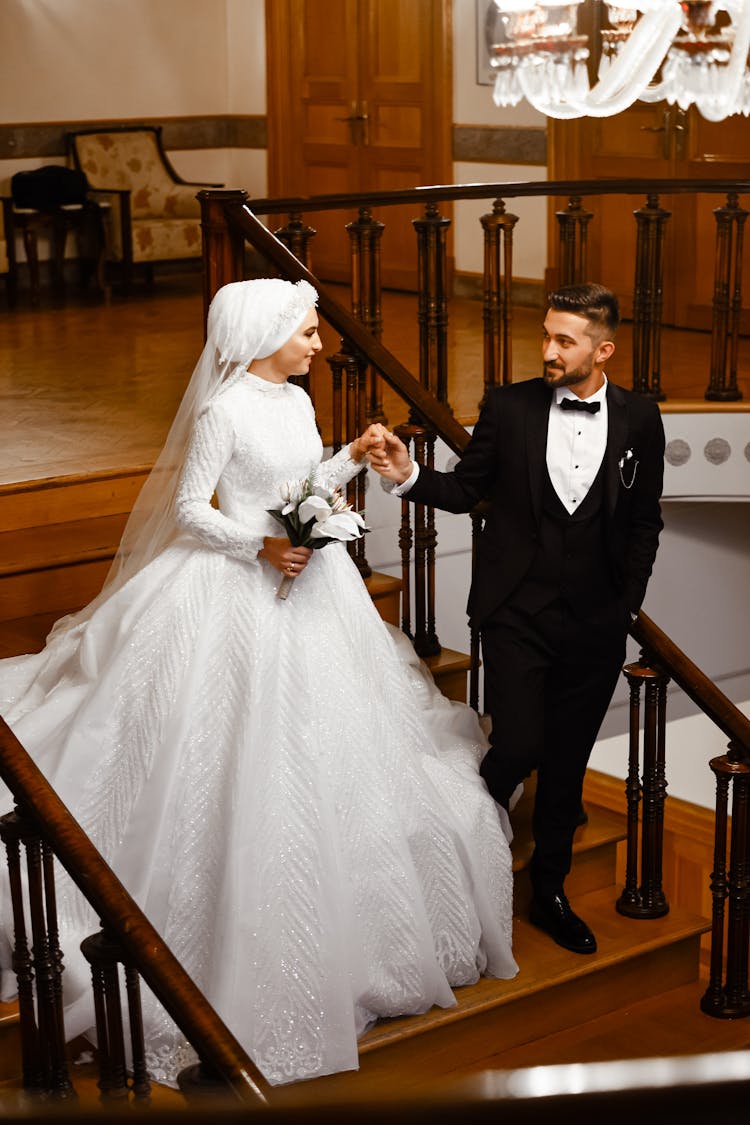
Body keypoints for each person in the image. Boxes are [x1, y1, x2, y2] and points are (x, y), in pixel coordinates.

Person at [0, 278, 517, 1088]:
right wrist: (262, 549)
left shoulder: (296, 401)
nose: (320, 343)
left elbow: (299, 482)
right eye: (307, 332)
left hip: (314, 586)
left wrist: (350, 457)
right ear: (266, 331)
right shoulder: (224, 409)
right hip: (240, 583)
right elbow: (189, 509)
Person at [368, 283, 665, 957]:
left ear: (603, 348)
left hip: (595, 620)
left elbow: (645, 518)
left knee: (566, 766)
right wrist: (408, 473)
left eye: (565, 339)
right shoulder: (510, 405)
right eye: (547, 336)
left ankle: (549, 891)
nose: (550, 350)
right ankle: (466, 831)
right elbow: (466, 489)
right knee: (522, 743)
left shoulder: (641, 419)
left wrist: (627, 602)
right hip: (516, 613)